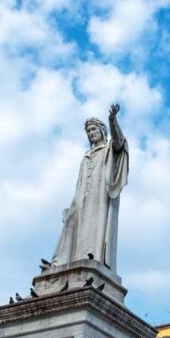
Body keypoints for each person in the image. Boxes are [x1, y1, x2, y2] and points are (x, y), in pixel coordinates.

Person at [51, 104, 128, 271]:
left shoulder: (108, 149)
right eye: (89, 132)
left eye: (94, 130)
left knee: (94, 225)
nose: (92, 133)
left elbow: (118, 142)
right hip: (82, 197)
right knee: (72, 220)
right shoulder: (86, 156)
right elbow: (78, 184)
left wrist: (113, 121)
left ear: (102, 131)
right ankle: (60, 262)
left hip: (100, 194)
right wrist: (72, 204)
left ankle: (92, 257)